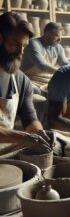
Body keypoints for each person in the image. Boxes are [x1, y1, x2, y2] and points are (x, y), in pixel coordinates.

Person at [0, 12, 52, 151]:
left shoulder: (21, 80)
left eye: (24, 46)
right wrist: (24, 137)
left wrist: (39, 133)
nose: (21, 52)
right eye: (15, 44)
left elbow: (29, 118)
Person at [21, 22, 70, 93]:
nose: (60, 39)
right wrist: (62, 72)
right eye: (57, 36)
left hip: (49, 80)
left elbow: (65, 63)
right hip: (32, 80)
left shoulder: (58, 47)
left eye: (61, 36)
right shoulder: (33, 43)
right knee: (37, 92)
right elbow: (42, 65)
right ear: (47, 34)